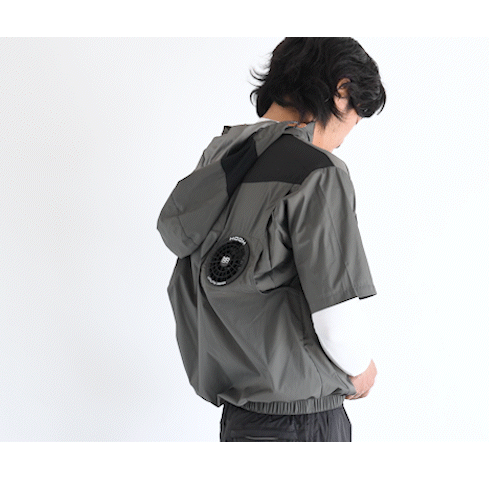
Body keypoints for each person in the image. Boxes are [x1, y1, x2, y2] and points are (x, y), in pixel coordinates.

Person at [157, 37, 386, 441]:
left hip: (240, 419)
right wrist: (361, 367)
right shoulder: (317, 171)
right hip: (301, 419)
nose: (342, 139)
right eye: (354, 119)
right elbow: (335, 315)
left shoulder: (219, 158)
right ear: (342, 90)